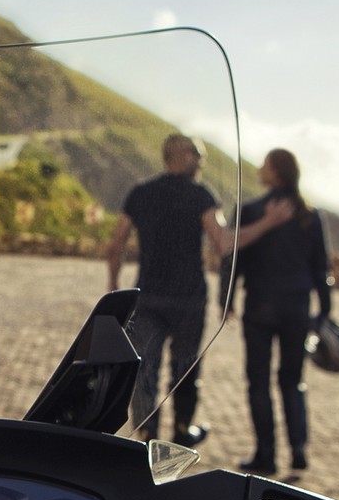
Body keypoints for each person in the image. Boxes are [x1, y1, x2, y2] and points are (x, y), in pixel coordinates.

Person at [106, 134, 290, 444]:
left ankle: (147, 435)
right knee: (185, 369)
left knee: (145, 370)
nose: (202, 161)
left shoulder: (140, 193)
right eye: (198, 153)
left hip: (146, 296)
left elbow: (116, 244)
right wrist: (267, 223)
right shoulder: (201, 194)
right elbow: (223, 243)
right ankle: (181, 434)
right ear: (180, 154)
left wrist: (113, 283)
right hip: (188, 299)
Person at [233, 148, 332, 474]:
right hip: (297, 307)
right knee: (292, 380)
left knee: (258, 382)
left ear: (275, 172)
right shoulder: (310, 215)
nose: (259, 169)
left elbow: (235, 261)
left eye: (265, 165)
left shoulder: (251, 210)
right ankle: (298, 449)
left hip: (259, 306)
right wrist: (325, 310)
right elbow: (321, 268)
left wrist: (226, 300)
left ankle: (266, 454)